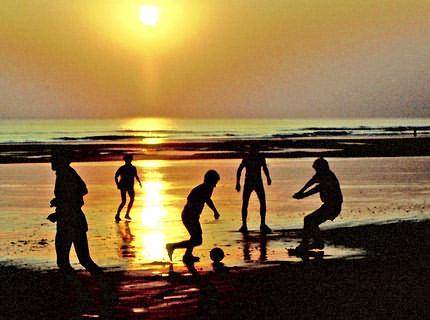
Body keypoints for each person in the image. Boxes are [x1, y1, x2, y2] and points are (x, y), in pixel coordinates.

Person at [49, 150, 103, 276]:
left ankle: (75, 288)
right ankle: (103, 282)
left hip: (70, 222)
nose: (51, 162)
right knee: (82, 259)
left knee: (67, 261)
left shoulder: (66, 174)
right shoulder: (66, 173)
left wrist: (59, 210)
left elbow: (79, 193)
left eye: (54, 159)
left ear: (61, 161)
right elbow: (80, 191)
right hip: (73, 220)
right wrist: (59, 201)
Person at [166, 170, 221, 263]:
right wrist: (214, 211)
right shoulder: (201, 189)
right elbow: (195, 201)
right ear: (209, 181)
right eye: (214, 183)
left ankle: (187, 255)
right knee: (198, 240)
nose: (215, 185)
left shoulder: (208, 188)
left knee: (195, 237)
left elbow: (207, 200)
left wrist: (214, 211)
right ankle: (172, 246)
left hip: (194, 216)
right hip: (189, 216)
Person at [293, 157, 343, 252]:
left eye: (316, 168)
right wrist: (300, 192)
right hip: (328, 205)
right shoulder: (321, 174)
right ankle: (309, 243)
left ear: (321, 168)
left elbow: (317, 188)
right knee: (310, 221)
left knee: (309, 220)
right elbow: (311, 182)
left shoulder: (328, 177)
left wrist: (303, 195)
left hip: (333, 206)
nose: (315, 171)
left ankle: (315, 242)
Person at [236, 144, 272, 234]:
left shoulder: (259, 157)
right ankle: (245, 225)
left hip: (256, 182)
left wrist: (268, 177)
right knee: (246, 203)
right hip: (250, 182)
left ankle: (262, 224)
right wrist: (237, 183)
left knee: (262, 202)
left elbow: (264, 168)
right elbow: (239, 169)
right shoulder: (248, 157)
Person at [114, 154, 142, 222]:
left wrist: (139, 182)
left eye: (129, 160)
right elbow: (116, 176)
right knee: (124, 201)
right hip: (123, 186)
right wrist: (117, 184)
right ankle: (117, 215)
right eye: (127, 160)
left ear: (131, 160)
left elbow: (136, 176)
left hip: (130, 186)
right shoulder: (122, 168)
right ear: (125, 160)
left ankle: (127, 214)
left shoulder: (133, 168)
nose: (128, 161)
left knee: (132, 199)